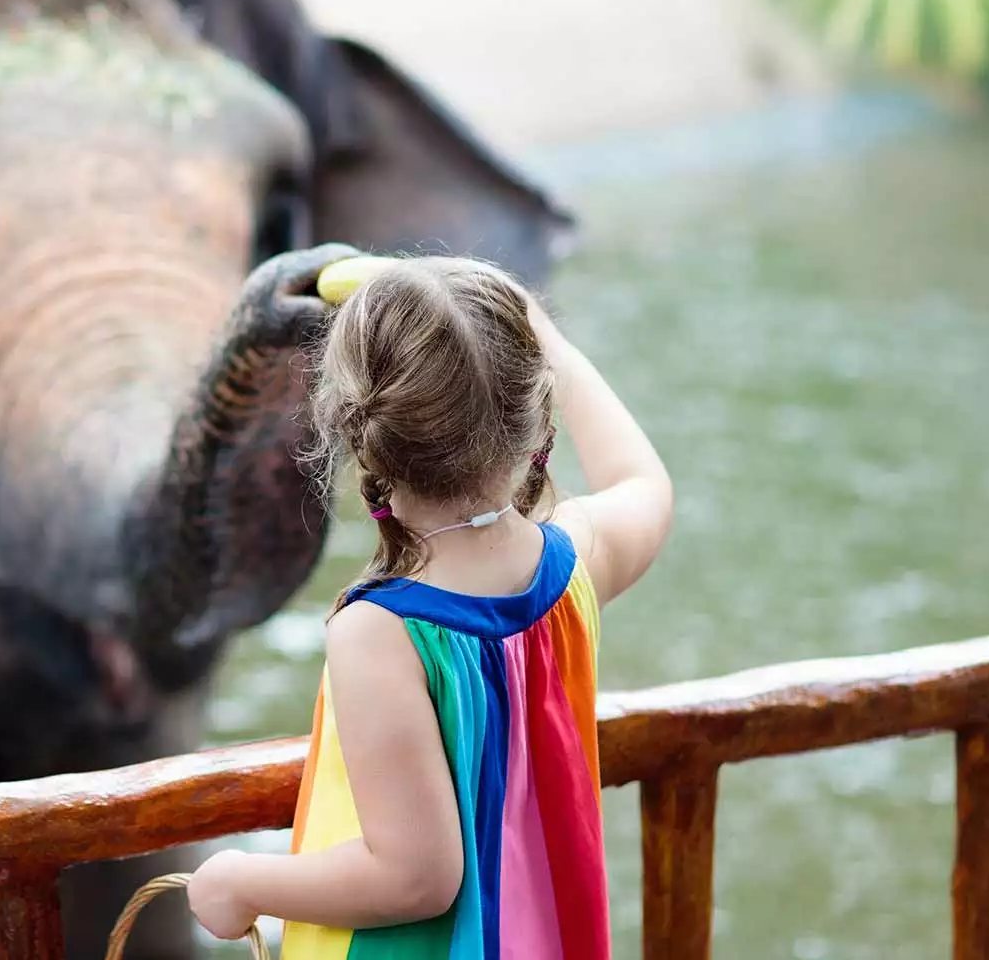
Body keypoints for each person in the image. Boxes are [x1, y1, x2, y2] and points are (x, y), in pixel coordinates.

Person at [184, 254, 674, 958]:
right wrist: (539, 326)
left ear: (360, 434)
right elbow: (641, 479)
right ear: (537, 418)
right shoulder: (572, 565)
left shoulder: (378, 632)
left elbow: (416, 877)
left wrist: (242, 881)